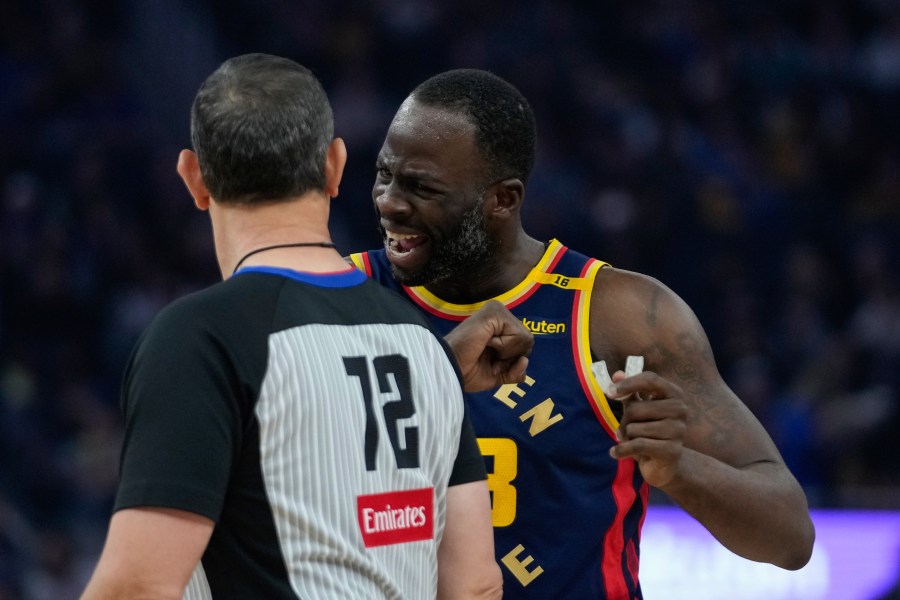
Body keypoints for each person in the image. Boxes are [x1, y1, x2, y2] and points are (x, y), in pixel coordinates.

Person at [349, 68, 817, 598]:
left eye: (421, 187)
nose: (388, 201)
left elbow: (790, 536)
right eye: (384, 174)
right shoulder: (335, 297)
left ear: (503, 199)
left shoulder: (619, 317)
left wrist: (679, 469)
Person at [80, 54, 533, 600]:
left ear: (194, 179)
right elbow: (475, 586)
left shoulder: (200, 339)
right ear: (335, 167)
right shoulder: (424, 347)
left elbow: (138, 586)